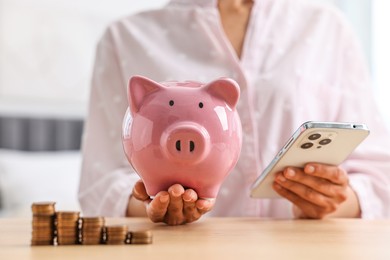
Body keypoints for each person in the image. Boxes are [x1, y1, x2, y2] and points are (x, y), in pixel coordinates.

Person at [78, 0, 390, 225]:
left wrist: (332, 202)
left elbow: (378, 173)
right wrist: (153, 206)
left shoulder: (326, 27)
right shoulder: (125, 38)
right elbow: (99, 184)